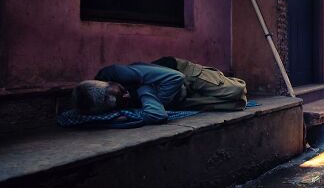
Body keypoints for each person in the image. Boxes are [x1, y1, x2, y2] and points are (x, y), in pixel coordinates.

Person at [62, 58, 247, 128]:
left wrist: (146, 92)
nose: (126, 97)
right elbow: (157, 114)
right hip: (179, 97)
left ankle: (216, 76)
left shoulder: (118, 73)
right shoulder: (107, 105)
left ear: (110, 82)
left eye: (122, 91)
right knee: (237, 104)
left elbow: (176, 77)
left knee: (236, 90)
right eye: (121, 101)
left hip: (184, 74)